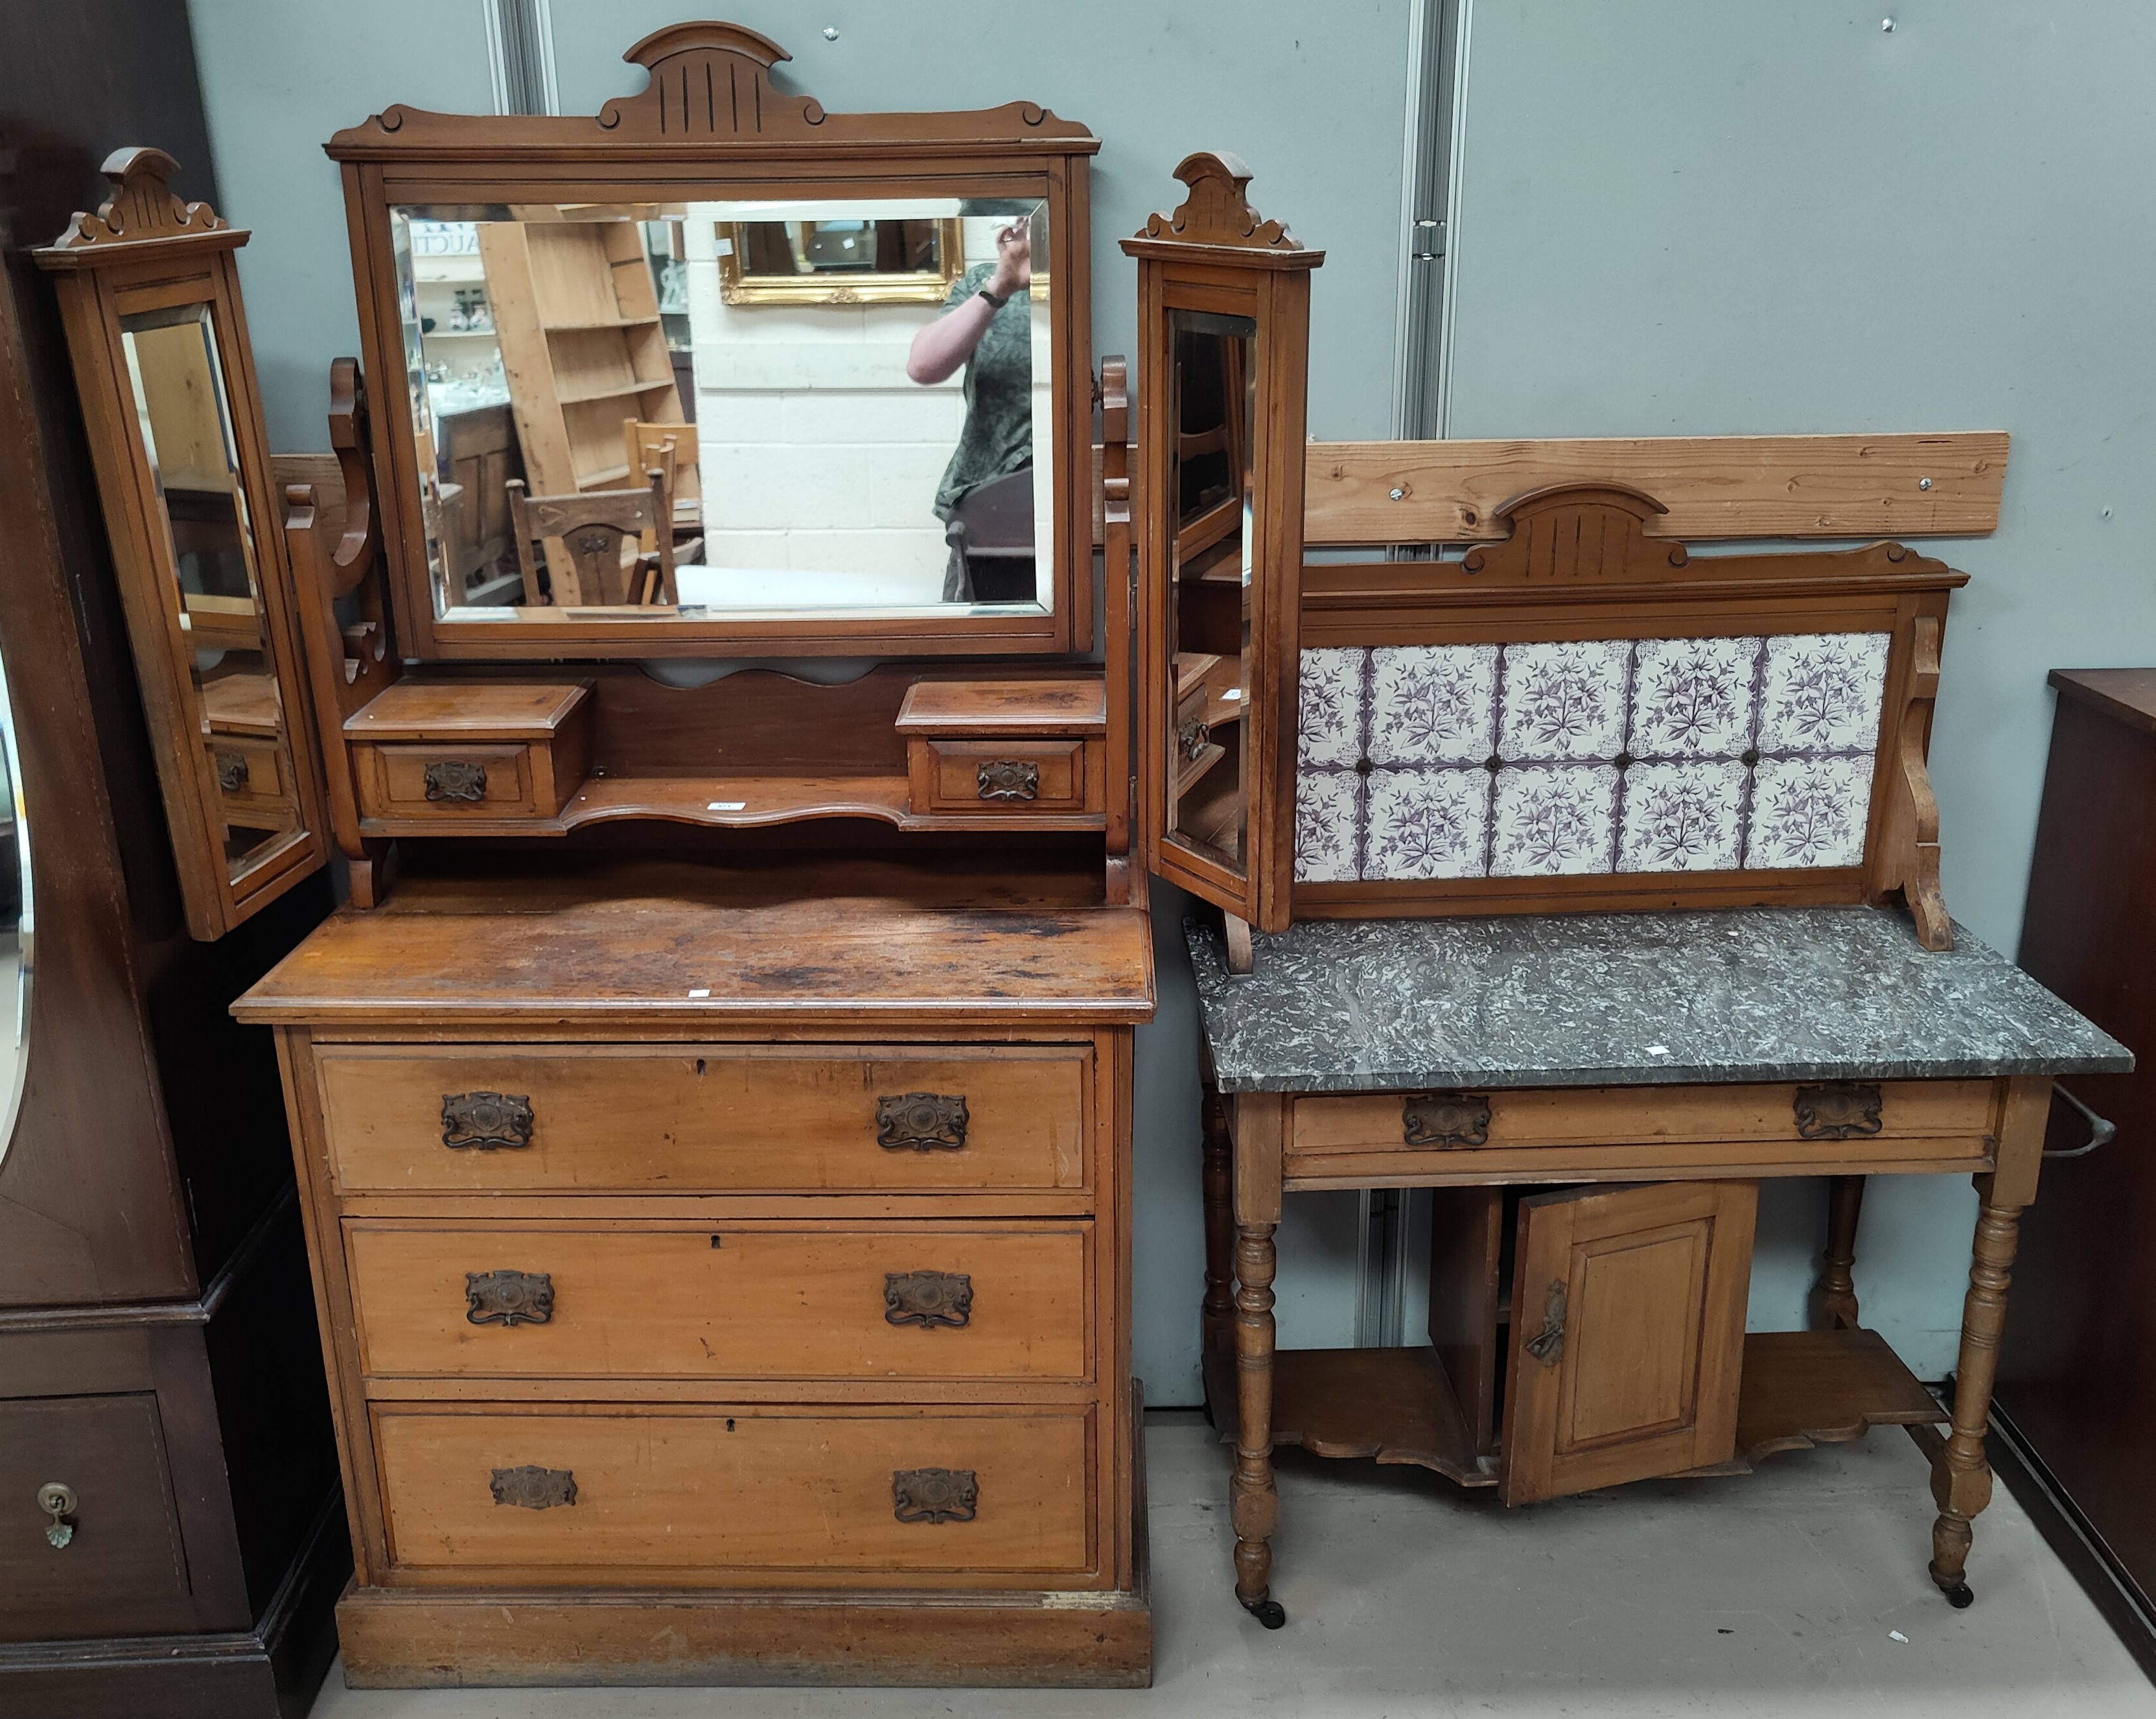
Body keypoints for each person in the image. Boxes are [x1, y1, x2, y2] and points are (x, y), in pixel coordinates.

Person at [907, 220, 1033, 602]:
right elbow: (923, 366)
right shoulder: (986, 280)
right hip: (990, 502)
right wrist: (1000, 286)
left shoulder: (1106, 275)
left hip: (1082, 500)